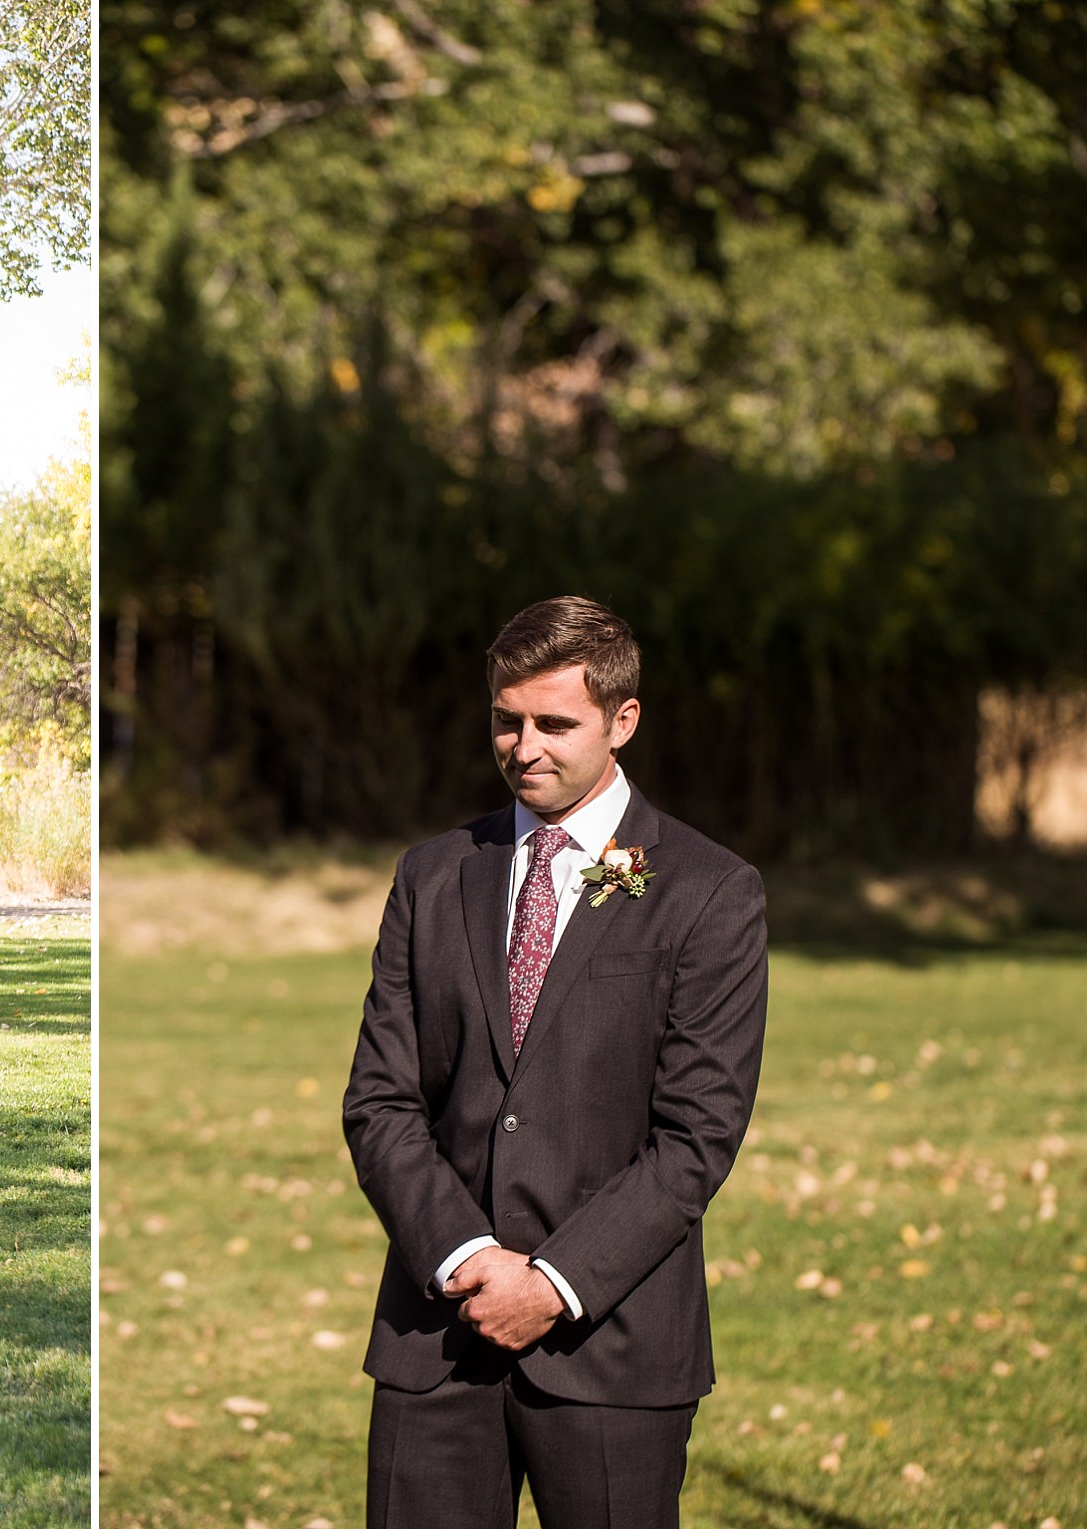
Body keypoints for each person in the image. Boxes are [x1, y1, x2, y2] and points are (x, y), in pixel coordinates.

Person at [343, 596, 768, 1529]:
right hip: (437, 1336)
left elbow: (697, 1134)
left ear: (623, 721)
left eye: (554, 723)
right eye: (506, 719)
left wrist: (553, 1283)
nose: (523, 745)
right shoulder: (432, 873)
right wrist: (465, 1256)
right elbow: (380, 1100)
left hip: (612, 1343)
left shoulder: (709, 890)